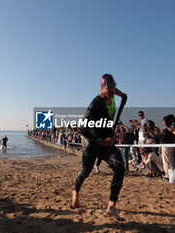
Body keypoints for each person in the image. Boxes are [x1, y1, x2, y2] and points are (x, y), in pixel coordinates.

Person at [71, 73, 127, 221]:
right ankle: (75, 192)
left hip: (107, 142)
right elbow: (82, 129)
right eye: (108, 87)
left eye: (113, 86)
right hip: (93, 142)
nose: (111, 90)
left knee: (120, 167)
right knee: (85, 172)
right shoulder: (95, 103)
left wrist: (123, 95)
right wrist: (101, 141)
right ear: (101, 88)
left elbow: (116, 90)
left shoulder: (113, 95)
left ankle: (111, 207)